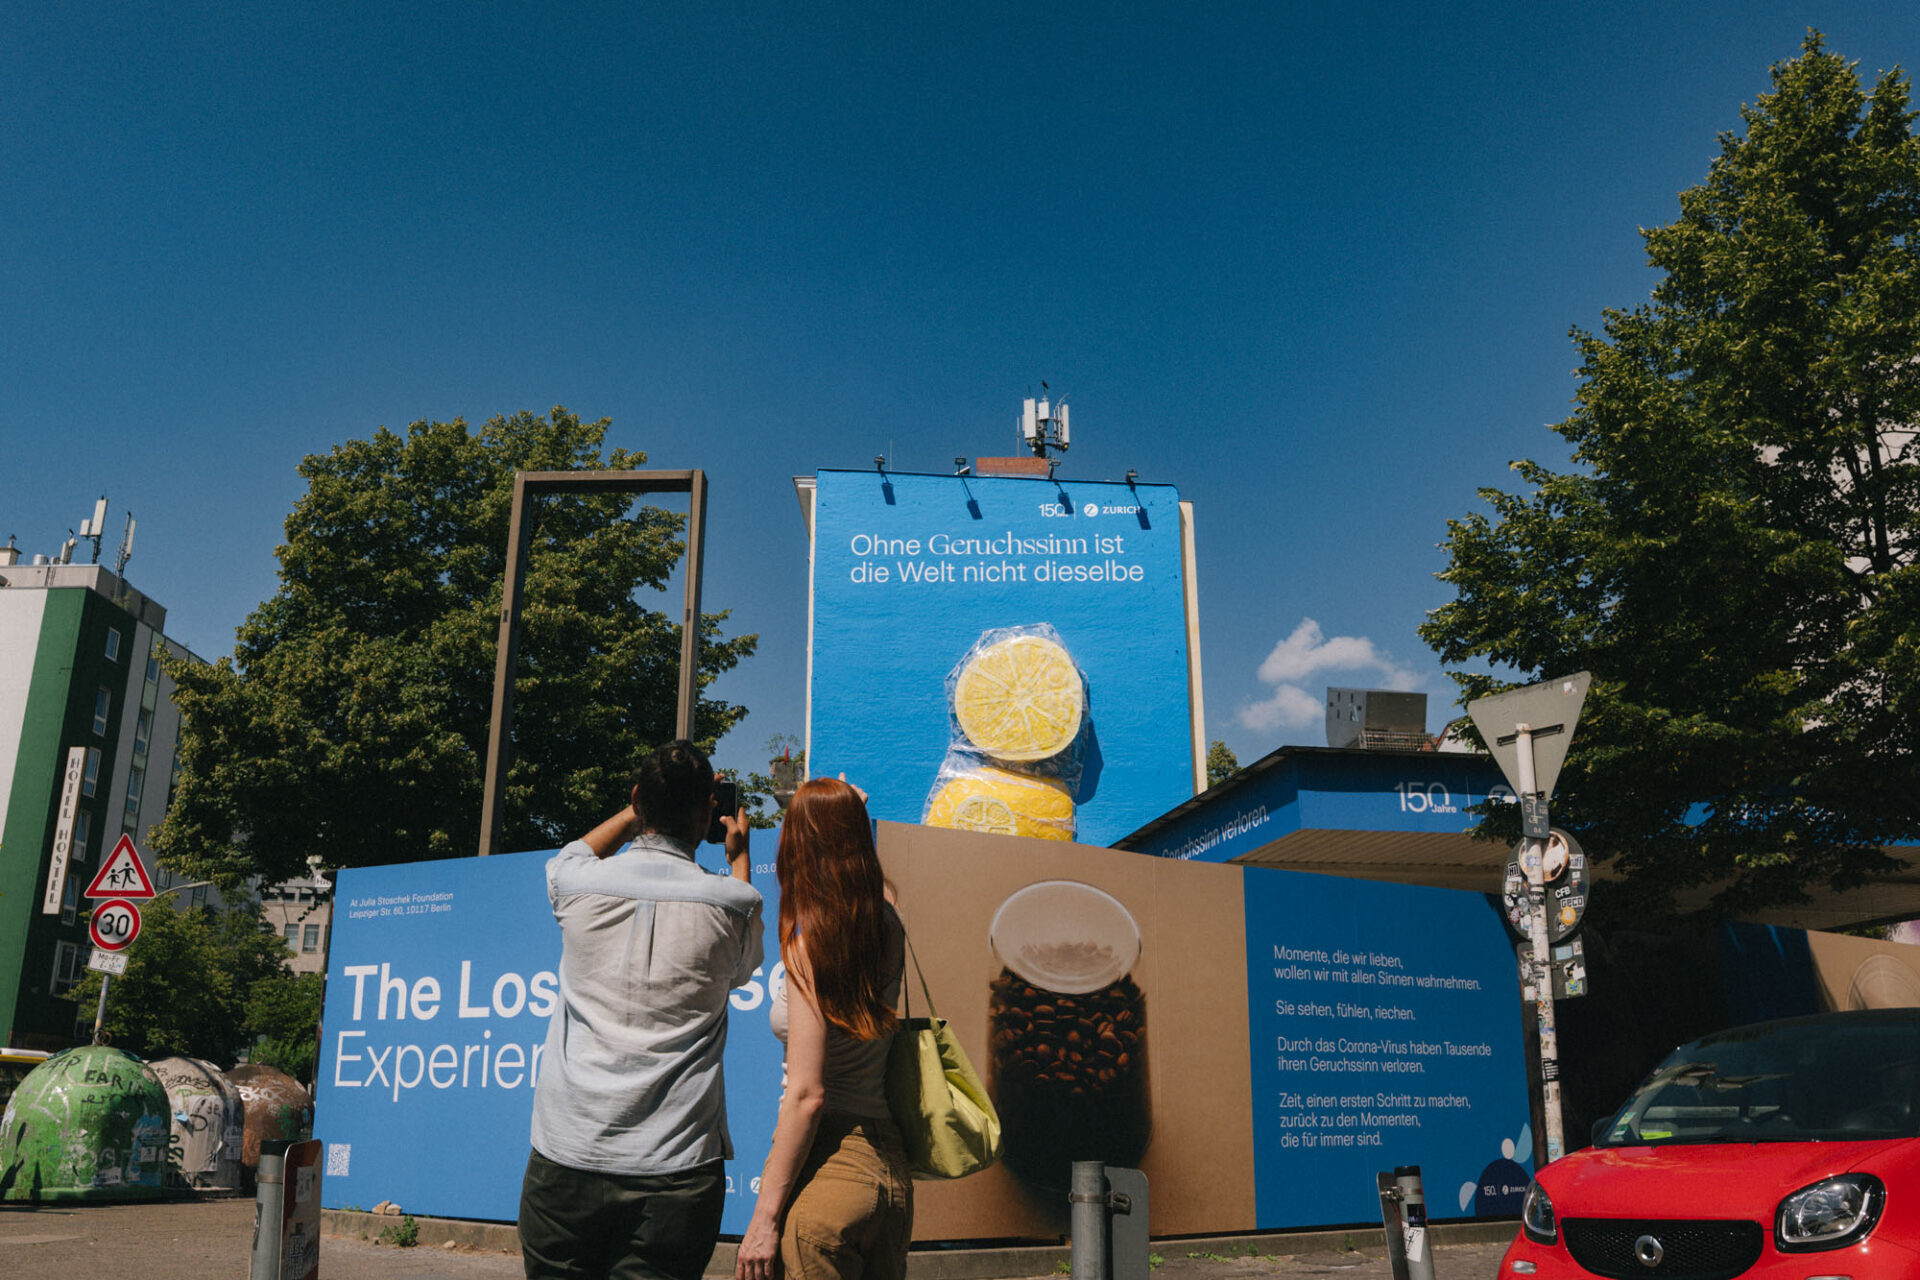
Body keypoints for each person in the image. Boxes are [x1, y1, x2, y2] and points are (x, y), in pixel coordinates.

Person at [520, 740, 761, 1280]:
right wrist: (739, 856)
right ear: (707, 812)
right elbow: (742, 966)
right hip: (677, 1169)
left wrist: (638, 811)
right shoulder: (734, 904)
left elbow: (574, 852)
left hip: (567, 1154)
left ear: (636, 800)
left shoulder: (576, 884)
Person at [737, 776, 910, 1280]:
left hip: (829, 1162)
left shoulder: (809, 941)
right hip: (889, 1168)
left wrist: (764, 1221)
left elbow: (808, 1094)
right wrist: (854, 819)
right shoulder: (888, 923)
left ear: (797, 844)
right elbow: (879, 886)